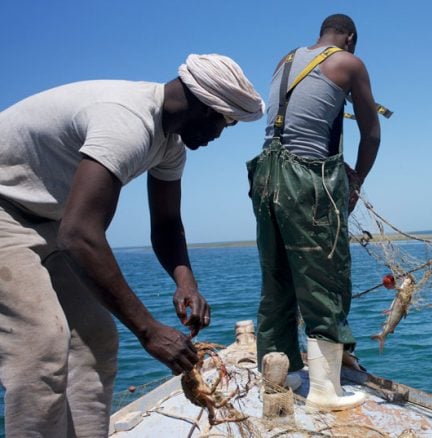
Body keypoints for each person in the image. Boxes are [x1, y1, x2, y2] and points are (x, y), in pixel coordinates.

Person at [0, 54, 264, 436]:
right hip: (7, 211)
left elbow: (167, 224)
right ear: (206, 108)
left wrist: (186, 283)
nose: (217, 137)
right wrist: (148, 330)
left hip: (52, 221)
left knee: (96, 337)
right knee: (41, 345)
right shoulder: (127, 122)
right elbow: (80, 234)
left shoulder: (169, 146)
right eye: (224, 123)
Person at [247, 13, 381, 411]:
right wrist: (356, 181)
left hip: (265, 176)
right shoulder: (348, 62)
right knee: (326, 275)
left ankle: (281, 376)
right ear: (349, 38)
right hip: (306, 177)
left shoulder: (285, 60)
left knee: (277, 277)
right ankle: (325, 389)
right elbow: (372, 133)